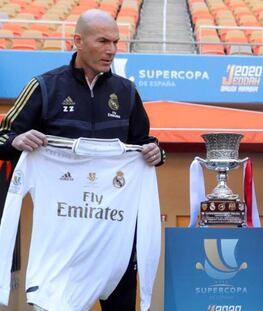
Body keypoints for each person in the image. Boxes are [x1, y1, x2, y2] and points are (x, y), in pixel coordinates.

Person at [0, 9, 165, 311]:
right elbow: (3, 137)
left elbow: (143, 143)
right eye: (103, 41)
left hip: (114, 233)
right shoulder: (44, 86)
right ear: (78, 40)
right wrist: (15, 140)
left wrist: (156, 151)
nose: (112, 50)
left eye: (115, 42)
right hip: (64, 234)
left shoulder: (126, 92)